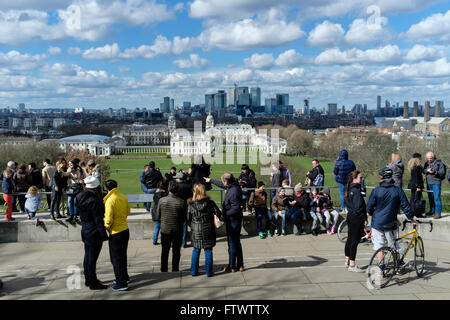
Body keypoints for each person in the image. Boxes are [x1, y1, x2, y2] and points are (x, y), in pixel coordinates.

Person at [367, 167, 416, 268]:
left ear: (381, 177)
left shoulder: (376, 190)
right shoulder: (398, 190)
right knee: (394, 245)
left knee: (379, 246)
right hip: (390, 222)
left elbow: (369, 207)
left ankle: (382, 269)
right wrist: (411, 218)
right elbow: (405, 206)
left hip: (377, 222)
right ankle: (398, 266)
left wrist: (372, 213)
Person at [205, 173, 244, 272]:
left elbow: (235, 208)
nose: (223, 183)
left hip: (233, 220)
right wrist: (211, 180)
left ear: (227, 182)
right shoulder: (233, 185)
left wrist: (224, 215)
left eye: (223, 181)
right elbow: (223, 185)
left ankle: (232, 266)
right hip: (235, 219)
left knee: (232, 243)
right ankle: (240, 264)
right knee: (236, 242)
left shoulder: (233, 191)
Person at [76, 176, 109, 290]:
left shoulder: (79, 197)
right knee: (92, 259)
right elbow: (98, 219)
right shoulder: (94, 201)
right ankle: (93, 282)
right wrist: (104, 235)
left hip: (85, 229)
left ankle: (88, 279)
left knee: (87, 257)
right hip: (94, 231)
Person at [187, 184, 222, 277]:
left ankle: (194, 271)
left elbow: (187, 218)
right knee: (208, 250)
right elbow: (219, 214)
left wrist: (192, 225)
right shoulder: (210, 203)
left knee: (196, 250)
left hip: (196, 229)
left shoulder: (191, 204)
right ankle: (209, 272)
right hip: (208, 228)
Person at [104, 179, 131, 291]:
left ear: (107, 188)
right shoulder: (122, 196)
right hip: (125, 229)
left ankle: (121, 282)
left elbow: (108, 219)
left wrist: (105, 227)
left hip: (116, 232)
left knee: (116, 259)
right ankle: (124, 277)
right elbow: (128, 211)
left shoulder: (110, 200)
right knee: (122, 256)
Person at [156, 180, 187, 272]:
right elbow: (185, 217)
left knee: (165, 251)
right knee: (176, 251)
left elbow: (158, 215)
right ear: (177, 190)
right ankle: (175, 268)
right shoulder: (181, 202)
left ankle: (163, 269)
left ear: (168, 189)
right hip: (177, 229)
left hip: (165, 229)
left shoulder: (162, 200)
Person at [343, 171, 367, 272]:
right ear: (355, 179)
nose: (361, 180)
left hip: (350, 216)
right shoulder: (356, 191)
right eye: (360, 178)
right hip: (356, 218)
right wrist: (364, 218)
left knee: (350, 239)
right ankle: (352, 265)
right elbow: (358, 207)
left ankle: (347, 260)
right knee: (354, 241)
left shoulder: (349, 189)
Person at [423, 152, 446, 219]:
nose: (429, 159)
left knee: (437, 198)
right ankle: (432, 211)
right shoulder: (426, 163)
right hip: (428, 183)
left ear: (433, 157)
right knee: (430, 198)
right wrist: (427, 170)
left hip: (436, 183)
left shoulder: (439, 163)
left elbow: (442, 173)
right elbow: (423, 171)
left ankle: (438, 213)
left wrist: (434, 172)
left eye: (430, 158)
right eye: (428, 158)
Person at [174, 172, 193, 248]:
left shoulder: (175, 186)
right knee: (184, 224)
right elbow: (191, 196)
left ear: (178, 178)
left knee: (175, 224)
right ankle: (183, 243)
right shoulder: (188, 186)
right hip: (185, 206)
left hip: (176, 206)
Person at [408, 153, 425, 218]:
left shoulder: (412, 166)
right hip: (416, 185)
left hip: (413, 185)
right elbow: (416, 177)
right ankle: (418, 213)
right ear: (417, 159)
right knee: (417, 199)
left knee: (412, 199)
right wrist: (418, 186)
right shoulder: (416, 167)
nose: (421, 159)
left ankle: (412, 212)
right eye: (420, 158)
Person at [152, 181, 168, 245]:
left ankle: (154, 240)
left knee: (157, 227)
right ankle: (162, 240)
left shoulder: (155, 193)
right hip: (163, 210)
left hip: (156, 210)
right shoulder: (165, 193)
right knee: (162, 227)